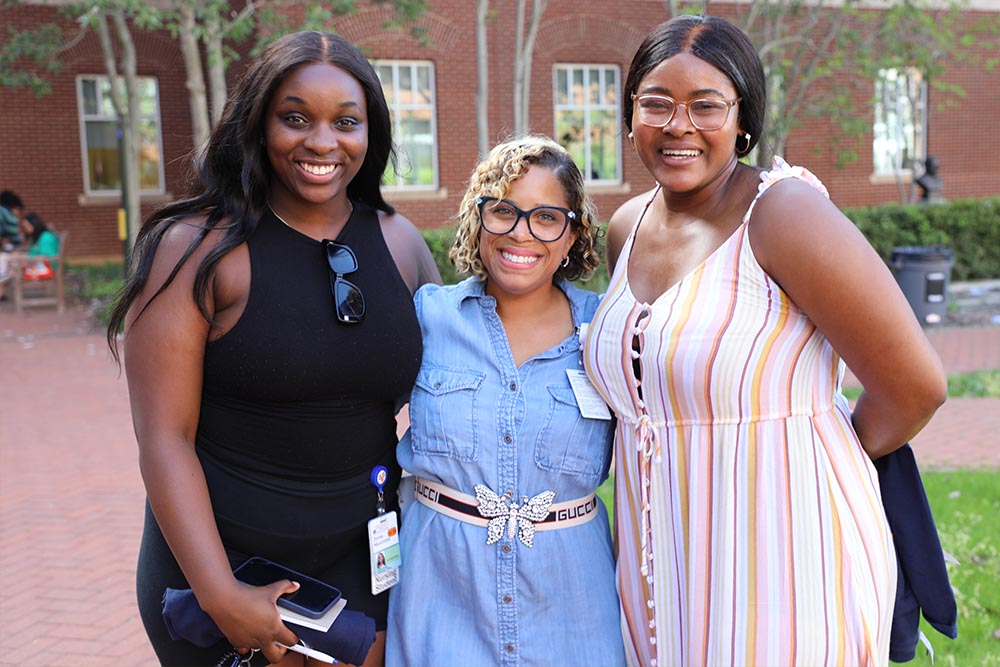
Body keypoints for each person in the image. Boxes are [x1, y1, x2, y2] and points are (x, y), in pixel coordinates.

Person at [582, 15, 947, 667]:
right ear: (631, 113)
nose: (678, 125)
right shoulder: (626, 227)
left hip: (784, 556)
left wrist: (807, 448)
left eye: (706, 106)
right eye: (656, 103)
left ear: (743, 119)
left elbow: (916, 385)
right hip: (659, 560)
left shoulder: (783, 214)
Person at [106, 30, 440, 667]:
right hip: (223, 563)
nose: (322, 142)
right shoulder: (196, 249)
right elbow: (164, 439)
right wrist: (220, 593)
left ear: (371, 134)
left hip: (360, 560)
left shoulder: (401, 244)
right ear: (258, 125)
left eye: (346, 121)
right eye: (295, 118)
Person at [386, 136, 625, 667]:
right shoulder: (428, 318)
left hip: (573, 608)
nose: (521, 232)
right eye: (503, 211)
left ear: (573, 234)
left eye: (546, 217)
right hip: (441, 597)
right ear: (478, 220)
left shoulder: (608, 329)